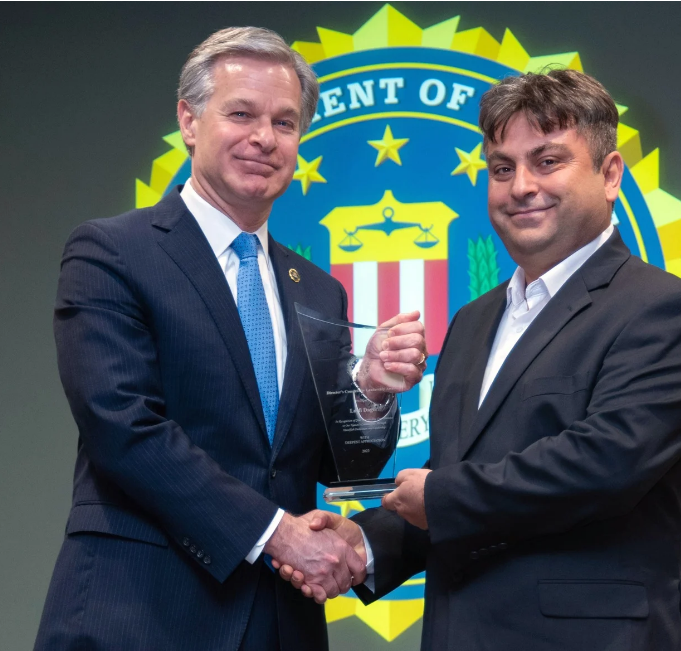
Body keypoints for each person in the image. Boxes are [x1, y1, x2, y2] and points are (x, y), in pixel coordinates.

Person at [279, 69, 681, 650]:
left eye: (548, 161)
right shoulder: (472, 321)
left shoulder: (666, 312)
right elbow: (461, 473)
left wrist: (435, 498)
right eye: (502, 168)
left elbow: (604, 465)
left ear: (610, 175)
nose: (520, 187)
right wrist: (364, 545)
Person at [34, 27, 426, 651]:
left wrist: (371, 390)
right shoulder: (113, 252)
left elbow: (337, 464)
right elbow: (123, 427)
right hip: (139, 612)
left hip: (278, 624)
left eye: (285, 122)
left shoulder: (317, 290)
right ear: (189, 121)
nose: (264, 138)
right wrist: (277, 534)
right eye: (240, 113)